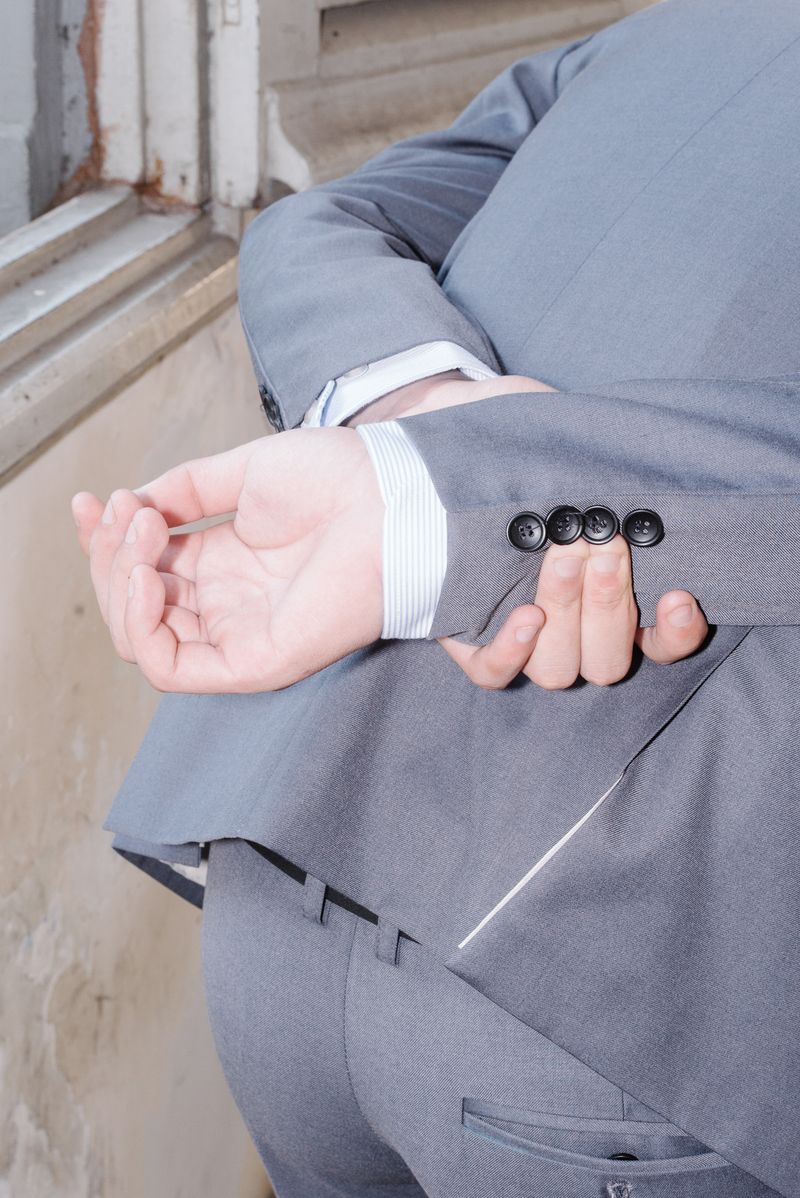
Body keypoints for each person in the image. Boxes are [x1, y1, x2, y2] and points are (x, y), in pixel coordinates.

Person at [71, 0, 800, 1194]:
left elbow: (323, 224)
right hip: (625, 999)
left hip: (284, 880)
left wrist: (414, 437)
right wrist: (432, 454)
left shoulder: (667, 32)